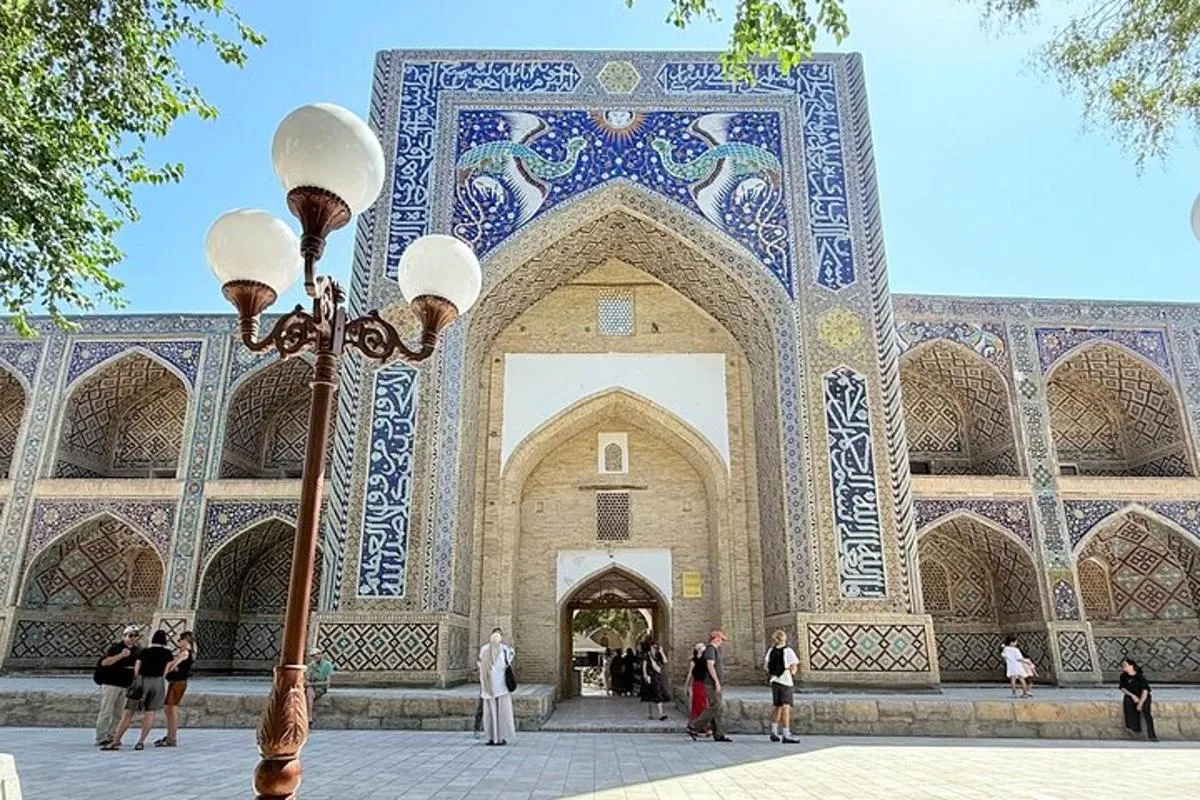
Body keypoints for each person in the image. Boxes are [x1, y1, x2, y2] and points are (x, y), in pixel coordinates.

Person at [102, 629, 174, 751]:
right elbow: (167, 670)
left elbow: (137, 668)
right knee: (150, 713)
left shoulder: (145, 651)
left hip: (142, 681)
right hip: (157, 682)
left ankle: (116, 740)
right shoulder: (168, 653)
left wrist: (136, 680)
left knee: (129, 712)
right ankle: (140, 742)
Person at [94, 625, 141, 747]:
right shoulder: (116, 647)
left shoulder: (137, 650)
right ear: (124, 636)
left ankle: (112, 736)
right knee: (106, 711)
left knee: (118, 714)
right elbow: (105, 662)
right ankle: (101, 737)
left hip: (125, 684)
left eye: (135, 636)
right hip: (111, 683)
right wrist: (121, 655)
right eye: (130, 635)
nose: (133, 638)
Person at [687, 629, 732, 742]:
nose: (722, 642)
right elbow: (710, 665)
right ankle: (694, 726)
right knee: (715, 706)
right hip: (710, 684)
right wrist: (716, 681)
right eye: (721, 639)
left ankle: (719, 734)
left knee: (717, 708)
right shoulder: (710, 650)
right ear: (716, 638)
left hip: (712, 683)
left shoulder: (713, 650)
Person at [155, 631, 196, 748]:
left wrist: (168, 668)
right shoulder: (186, 653)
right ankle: (169, 735)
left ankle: (171, 738)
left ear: (185, 641)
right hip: (176, 682)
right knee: (168, 708)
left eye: (180, 640)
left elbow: (173, 665)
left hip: (178, 683)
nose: (178, 642)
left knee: (172, 709)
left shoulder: (184, 653)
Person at [478, 628, 517, 746]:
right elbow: (508, 662)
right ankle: (500, 738)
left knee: (490, 714)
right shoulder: (504, 650)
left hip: (488, 688)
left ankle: (491, 737)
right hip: (501, 689)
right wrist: (512, 647)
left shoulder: (484, 650)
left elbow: (480, 665)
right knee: (502, 714)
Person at [764, 629, 800, 743]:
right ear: (784, 638)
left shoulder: (771, 650)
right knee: (786, 707)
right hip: (785, 681)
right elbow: (794, 668)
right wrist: (790, 671)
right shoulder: (788, 650)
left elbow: (766, 666)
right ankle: (786, 733)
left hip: (774, 680)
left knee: (777, 706)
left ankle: (774, 731)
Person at [1119, 658, 1157, 742]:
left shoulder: (1140, 677)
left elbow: (1145, 691)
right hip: (1132, 696)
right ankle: (1134, 727)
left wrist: (1140, 703)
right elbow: (1123, 688)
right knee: (1128, 702)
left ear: (1131, 666)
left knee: (1146, 712)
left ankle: (1152, 735)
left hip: (1143, 697)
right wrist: (1132, 696)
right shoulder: (1123, 676)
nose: (1124, 667)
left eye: (1125, 665)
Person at [305, 649, 335, 729]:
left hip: (320, 687)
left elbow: (327, 683)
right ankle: (309, 718)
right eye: (313, 656)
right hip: (311, 687)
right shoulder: (310, 666)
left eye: (316, 655)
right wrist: (309, 683)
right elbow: (307, 679)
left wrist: (312, 684)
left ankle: (309, 717)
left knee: (309, 692)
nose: (315, 657)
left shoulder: (327, 665)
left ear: (321, 654)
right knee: (309, 691)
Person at [641, 642, 670, 720]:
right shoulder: (647, 655)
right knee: (651, 695)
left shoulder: (658, 654)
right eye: (654, 647)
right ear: (650, 646)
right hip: (650, 676)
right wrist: (645, 675)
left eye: (656, 647)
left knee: (658, 694)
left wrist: (661, 651)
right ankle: (651, 713)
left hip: (657, 676)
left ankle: (661, 714)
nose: (655, 648)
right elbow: (644, 666)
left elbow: (665, 661)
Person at [685, 643, 709, 733]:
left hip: (704, 684)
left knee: (703, 704)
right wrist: (687, 685)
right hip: (697, 684)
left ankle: (703, 726)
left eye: (701, 647)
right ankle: (695, 725)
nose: (699, 648)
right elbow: (690, 673)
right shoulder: (693, 660)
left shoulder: (706, 660)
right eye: (698, 647)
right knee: (697, 704)